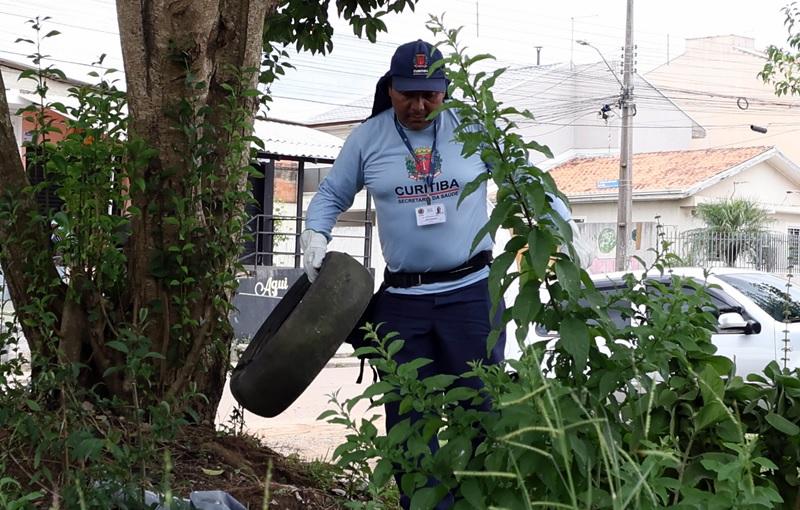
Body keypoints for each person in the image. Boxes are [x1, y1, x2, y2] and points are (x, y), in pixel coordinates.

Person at [300, 39, 584, 508]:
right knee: (409, 422)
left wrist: (557, 221)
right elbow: (331, 194)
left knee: (481, 411)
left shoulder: (474, 128)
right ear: (390, 89)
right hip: (403, 303)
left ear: (446, 89)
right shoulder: (367, 139)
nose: (418, 105)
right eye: (408, 94)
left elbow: (523, 175)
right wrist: (315, 231)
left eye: (429, 95)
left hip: (472, 297)